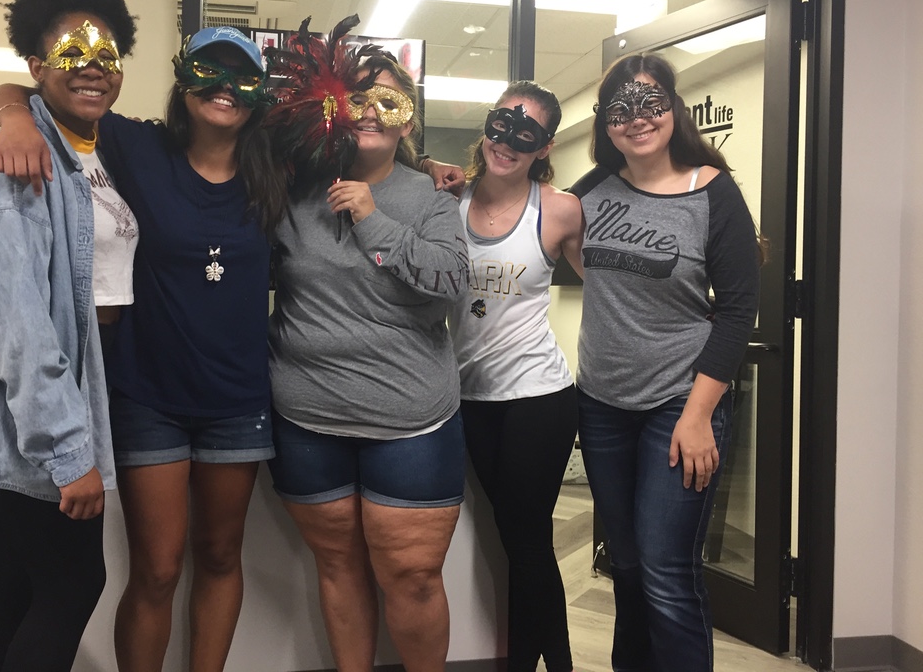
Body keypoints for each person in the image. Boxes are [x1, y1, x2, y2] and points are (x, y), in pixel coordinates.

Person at [0, 25, 288, 672]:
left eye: (241, 76)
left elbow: (366, 154)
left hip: (238, 400)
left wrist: (435, 172)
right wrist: (14, 121)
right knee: (156, 568)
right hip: (149, 394)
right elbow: (27, 89)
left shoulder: (276, 169)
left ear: (259, 93)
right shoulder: (139, 145)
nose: (225, 89)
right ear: (184, 83)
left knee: (219, 557)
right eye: (209, 71)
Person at [0, 0, 136, 671]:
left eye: (106, 56)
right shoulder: (14, 163)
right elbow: (12, 317)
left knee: (13, 585)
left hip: (80, 393)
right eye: (71, 54)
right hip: (46, 411)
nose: (92, 70)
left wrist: (13, 106)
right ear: (36, 65)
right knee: (74, 581)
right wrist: (65, 446)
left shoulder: (94, 150)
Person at [266, 51, 469, 672]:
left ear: (410, 122)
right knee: (338, 564)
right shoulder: (291, 189)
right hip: (306, 414)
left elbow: (452, 279)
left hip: (412, 419)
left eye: (390, 103)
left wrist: (375, 219)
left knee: (411, 576)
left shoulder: (432, 197)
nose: (372, 113)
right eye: (359, 99)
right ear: (332, 108)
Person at [573, 52, 761, 672]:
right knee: (624, 563)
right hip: (601, 403)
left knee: (664, 571)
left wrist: (699, 414)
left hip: (680, 405)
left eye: (650, 102)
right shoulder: (594, 190)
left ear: (674, 109)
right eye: (620, 109)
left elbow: (737, 312)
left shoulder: (713, 191)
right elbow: (531, 215)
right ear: (606, 124)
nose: (637, 118)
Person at [445, 81, 583, 672]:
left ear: (543, 146)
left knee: (526, 540)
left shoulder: (560, 209)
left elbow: (616, 286)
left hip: (539, 396)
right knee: (513, 539)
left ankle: (549, 663)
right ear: (487, 125)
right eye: (502, 124)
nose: (508, 142)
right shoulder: (444, 201)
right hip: (470, 397)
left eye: (526, 134)